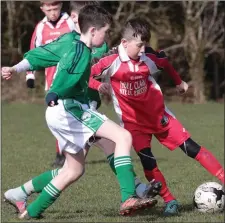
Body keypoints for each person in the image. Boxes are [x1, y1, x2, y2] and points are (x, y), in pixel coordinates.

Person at [2, 6, 158, 219]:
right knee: (123, 136)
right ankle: (130, 195)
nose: (105, 37)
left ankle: (30, 210)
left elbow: (41, 55)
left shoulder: (70, 41)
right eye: (105, 31)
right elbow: (68, 75)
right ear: (93, 30)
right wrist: (55, 92)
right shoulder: (81, 51)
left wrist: (15, 68)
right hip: (70, 108)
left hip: (62, 110)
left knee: (73, 170)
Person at [89, 17, 225, 216]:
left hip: (160, 117)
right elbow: (87, 76)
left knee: (191, 148)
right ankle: (170, 201)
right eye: (139, 45)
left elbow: (165, 63)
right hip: (134, 124)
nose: (143, 50)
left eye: (145, 45)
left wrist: (179, 83)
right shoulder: (110, 62)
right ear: (125, 43)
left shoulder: (148, 57)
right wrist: (99, 86)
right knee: (148, 164)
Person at [52, 1, 109, 167]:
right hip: (73, 104)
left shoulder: (99, 43)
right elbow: (78, 77)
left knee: (74, 167)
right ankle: (137, 187)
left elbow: (98, 70)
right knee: (115, 140)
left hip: (89, 102)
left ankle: (22, 191)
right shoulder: (69, 43)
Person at [25, 1, 75, 167]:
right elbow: (33, 52)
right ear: (42, 9)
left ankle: (77, 149)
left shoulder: (71, 22)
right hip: (52, 81)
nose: (53, 12)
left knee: (79, 113)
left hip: (73, 78)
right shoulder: (40, 27)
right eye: (49, 9)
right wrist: (30, 75)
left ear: (61, 6)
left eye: (55, 8)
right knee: (58, 117)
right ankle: (60, 153)